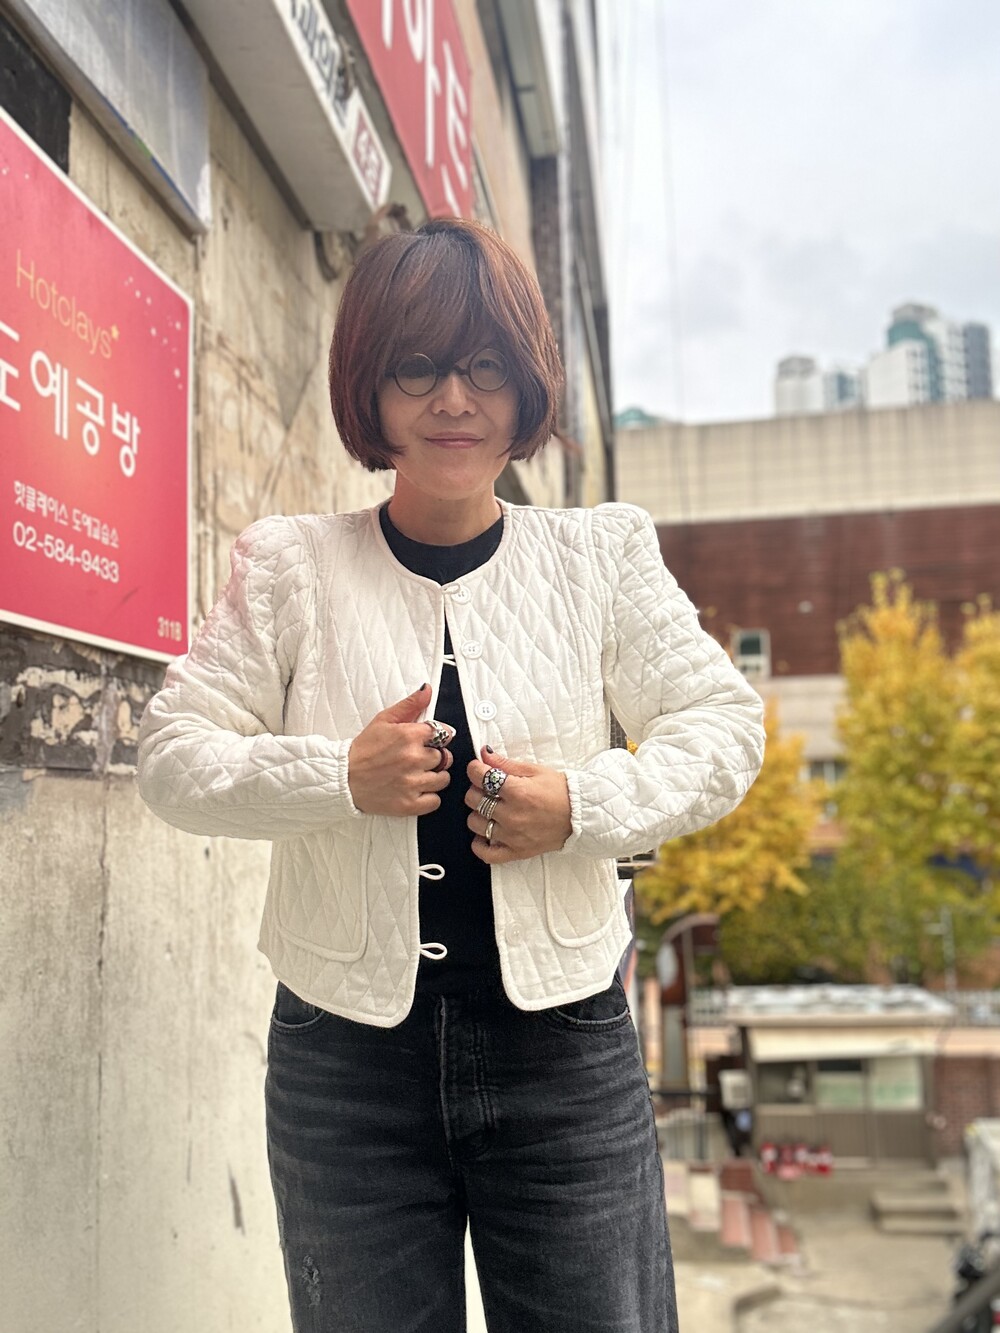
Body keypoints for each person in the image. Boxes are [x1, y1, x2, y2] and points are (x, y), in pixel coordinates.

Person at [136, 217, 765, 1333]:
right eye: (417, 366)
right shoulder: (291, 565)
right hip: (343, 1062)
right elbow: (173, 756)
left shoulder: (600, 557)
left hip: (563, 1049)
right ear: (370, 390)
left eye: (485, 365)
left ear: (525, 386)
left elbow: (722, 725)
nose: (454, 399)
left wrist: (582, 803)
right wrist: (342, 775)